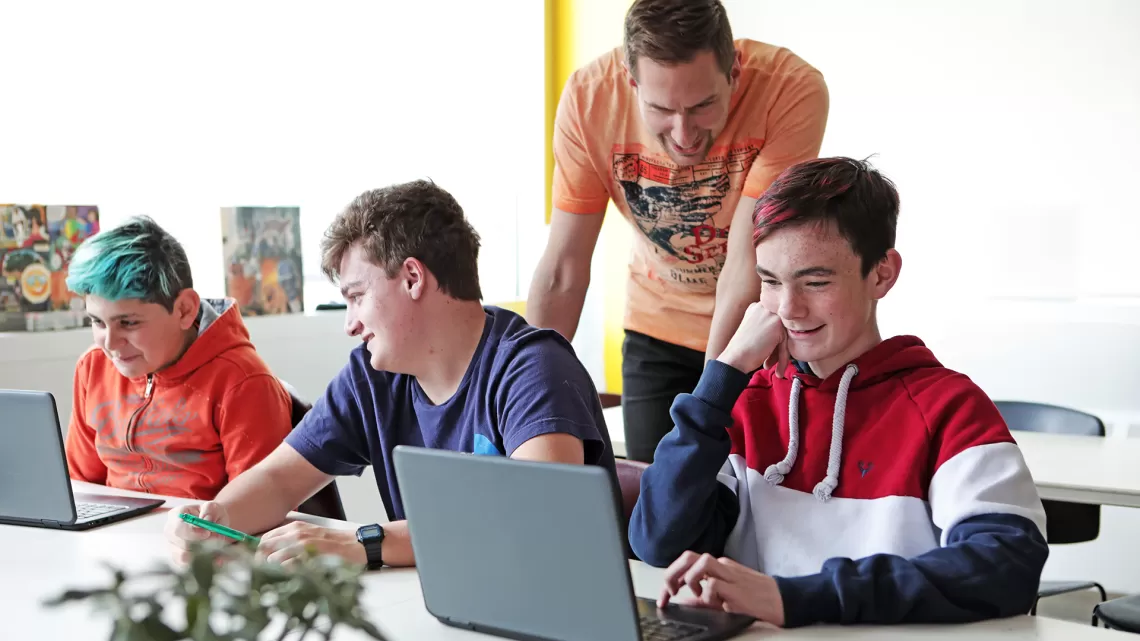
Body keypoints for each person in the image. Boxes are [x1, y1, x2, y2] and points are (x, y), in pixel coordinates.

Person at [628, 157, 1048, 627]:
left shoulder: (948, 407)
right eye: (770, 282)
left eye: (815, 282)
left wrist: (793, 598)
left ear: (882, 274)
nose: (789, 309)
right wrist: (722, 376)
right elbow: (659, 544)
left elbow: (1006, 564)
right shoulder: (746, 402)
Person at [166, 180, 617, 569]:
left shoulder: (533, 367)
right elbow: (280, 480)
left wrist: (368, 543)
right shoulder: (372, 376)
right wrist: (215, 518)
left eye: (356, 296)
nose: (350, 324)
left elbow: (538, 519)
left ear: (413, 278)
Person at [527, 0, 829, 463]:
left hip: (760, 323)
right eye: (662, 109)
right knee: (658, 492)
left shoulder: (789, 89)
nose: (684, 133)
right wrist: (525, 399)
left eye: (703, 106)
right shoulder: (590, 101)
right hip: (656, 327)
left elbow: (744, 262)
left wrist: (710, 398)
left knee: (757, 490)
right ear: (631, 82)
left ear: (734, 73)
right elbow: (563, 270)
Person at [63, 216, 293, 500]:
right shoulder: (93, 367)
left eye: (129, 323)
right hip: (115, 527)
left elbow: (260, 506)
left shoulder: (243, 383)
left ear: (184, 309)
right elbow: (80, 486)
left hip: (201, 528)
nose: (110, 344)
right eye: (98, 322)